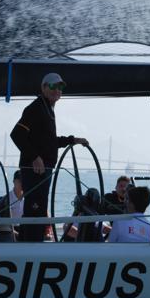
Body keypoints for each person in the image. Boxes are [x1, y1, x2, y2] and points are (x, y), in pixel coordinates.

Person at [10, 72, 88, 242]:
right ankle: (30, 246)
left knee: (38, 209)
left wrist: (72, 140)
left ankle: (32, 243)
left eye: (60, 87)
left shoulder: (48, 109)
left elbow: (48, 142)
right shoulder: (36, 108)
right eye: (52, 86)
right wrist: (34, 157)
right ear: (43, 88)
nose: (57, 90)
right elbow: (16, 134)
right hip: (34, 170)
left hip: (43, 170)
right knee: (34, 209)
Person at [0, 170, 24, 242]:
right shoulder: (5, 199)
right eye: (20, 181)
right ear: (14, 181)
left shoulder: (28, 199)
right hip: (8, 231)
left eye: (24, 181)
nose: (22, 184)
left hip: (23, 229)